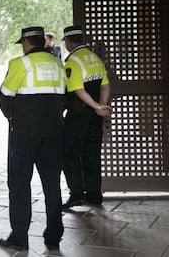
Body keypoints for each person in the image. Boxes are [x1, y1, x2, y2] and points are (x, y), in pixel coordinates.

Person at [0, 26, 65, 251]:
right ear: (42, 42)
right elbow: (63, 99)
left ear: (27, 43)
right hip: (54, 134)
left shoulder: (20, 64)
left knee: (19, 185)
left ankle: (19, 238)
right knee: (52, 185)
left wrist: (13, 118)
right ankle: (54, 237)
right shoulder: (58, 64)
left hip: (24, 136)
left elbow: (4, 97)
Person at [61, 25, 112, 209]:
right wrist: (100, 106)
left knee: (69, 154)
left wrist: (97, 106)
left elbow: (78, 90)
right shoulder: (95, 58)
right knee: (92, 154)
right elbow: (105, 86)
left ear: (68, 42)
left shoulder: (73, 60)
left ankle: (76, 194)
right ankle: (94, 195)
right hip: (95, 117)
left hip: (78, 115)